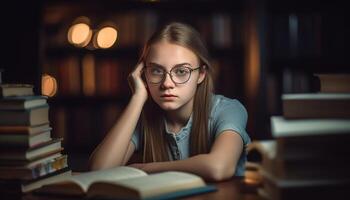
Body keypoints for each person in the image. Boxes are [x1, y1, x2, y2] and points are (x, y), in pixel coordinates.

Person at [89, 22, 250, 181]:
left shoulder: (228, 110)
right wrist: (137, 98)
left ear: (201, 74)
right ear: (143, 73)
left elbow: (219, 168)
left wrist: (145, 169)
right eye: (157, 71)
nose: (167, 83)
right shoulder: (143, 117)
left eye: (181, 71)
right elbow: (99, 171)